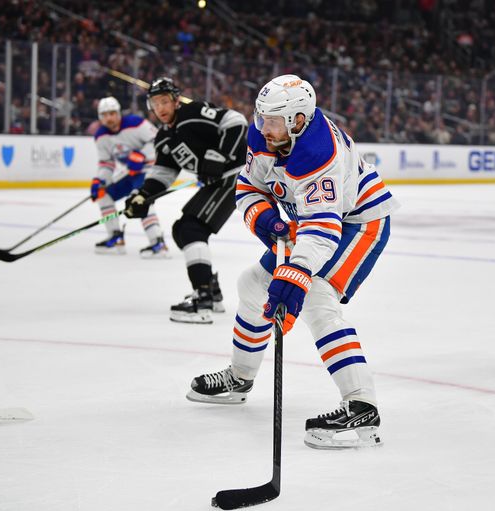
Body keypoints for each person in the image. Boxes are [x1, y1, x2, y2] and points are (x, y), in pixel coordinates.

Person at [185, 74, 400, 449]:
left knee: (317, 297)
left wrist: (295, 274)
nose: (263, 128)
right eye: (261, 117)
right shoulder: (263, 133)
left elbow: (322, 227)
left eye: (273, 121)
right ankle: (240, 377)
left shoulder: (318, 151)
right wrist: (266, 220)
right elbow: (249, 187)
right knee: (252, 286)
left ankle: (362, 406)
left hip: (357, 222)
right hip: (310, 219)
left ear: (299, 120)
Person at [123, 78, 248, 323]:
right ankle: (211, 290)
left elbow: (236, 121)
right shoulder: (164, 139)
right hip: (219, 182)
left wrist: (219, 156)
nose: (160, 108)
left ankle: (203, 300)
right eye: (155, 103)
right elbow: (162, 174)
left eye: (164, 101)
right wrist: (143, 196)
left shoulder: (192, 113)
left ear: (176, 101)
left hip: (238, 175)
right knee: (182, 230)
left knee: (192, 229)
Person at [91, 96, 167, 257]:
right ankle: (115, 237)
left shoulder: (135, 123)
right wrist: (100, 180)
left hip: (151, 169)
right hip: (131, 174)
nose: (109, 118)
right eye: (105, 115)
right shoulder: (101, 136)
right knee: (104, 196)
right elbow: (106, 164)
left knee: (140, 199)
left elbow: (159, 140)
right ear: (100, 117)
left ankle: (158, 242)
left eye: (112, 113)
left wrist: (142, 156)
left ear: (118, 113)